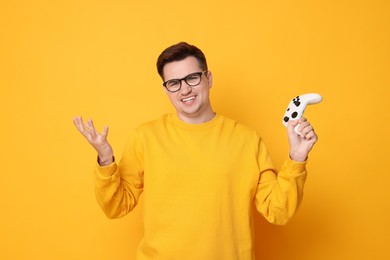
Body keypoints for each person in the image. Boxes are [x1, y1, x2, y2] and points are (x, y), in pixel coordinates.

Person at [73, 42, 318, 259]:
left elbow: (279, 211)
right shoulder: (146, 136)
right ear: (165, 89)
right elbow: (116, 207)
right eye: (174, 83)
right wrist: (106, 159)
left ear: (208, 78)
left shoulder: (247, 140)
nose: (185, 90)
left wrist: (297, 157)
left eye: (192, 78)